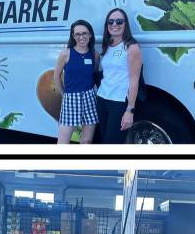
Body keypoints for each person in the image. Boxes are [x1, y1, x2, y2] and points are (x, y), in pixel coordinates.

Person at [96, 8, 143, 144]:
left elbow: (134, 80)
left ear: (125, 24)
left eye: (119, 21)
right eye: (110, 21)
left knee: (112, 143)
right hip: (102, 98)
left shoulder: (132, 47)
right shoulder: (108, 44)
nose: (114, 24)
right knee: (105, 139)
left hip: (119, 102)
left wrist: (130, 110)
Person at [53, 20, 100, 144]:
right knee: (63, 141)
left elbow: (94, 74)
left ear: (90, 35)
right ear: (73, 36)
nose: (81, 37)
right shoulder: (66, 53)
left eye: (84, 33)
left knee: (87, 140)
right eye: (77, 34)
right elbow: (56, 76)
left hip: (90, 97)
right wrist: (64, 94)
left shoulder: (95, 55)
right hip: (71, 98)